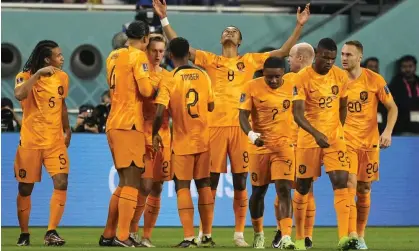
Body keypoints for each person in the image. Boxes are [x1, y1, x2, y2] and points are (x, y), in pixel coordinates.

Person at [152, 0, 311, 245]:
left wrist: (298, 26)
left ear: (239, 42)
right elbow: (179, 46)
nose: (228, 32)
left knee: (240, 181)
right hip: (213, 128)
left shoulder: (249, 61)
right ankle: (206, 232)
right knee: (211, 182)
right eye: (225, 30)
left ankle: (239, 233)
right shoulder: (209, 60)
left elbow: (280, 53)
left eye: (233, 31)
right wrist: (164, 19)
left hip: (241, 128)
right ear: (221, 40)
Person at [152, 37, 216, 248]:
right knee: (204, 184)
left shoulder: (169, 79)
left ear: (170, 56)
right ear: (189, 54)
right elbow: (211, 105)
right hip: (204, 140)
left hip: (182, 141)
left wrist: (155, 132)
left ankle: (189, 237)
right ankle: (206, 235)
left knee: (183, 187)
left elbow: (160, 112)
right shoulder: (204, 75)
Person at [292, 38, 352, 250]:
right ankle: (300, 238)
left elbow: (343, 106)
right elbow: (297, 114)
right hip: (309, 140)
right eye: (325, 57)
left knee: (341, 181)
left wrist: (338, 130)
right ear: (316, 54)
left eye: (332, 59)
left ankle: (344, 237)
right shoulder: (301, 78)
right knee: (303, 187)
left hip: (334, 139)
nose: (329, 62)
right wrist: (316, 133)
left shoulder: (340, 76)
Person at [99, 20, 154, 248]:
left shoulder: (112, 56)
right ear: (145, 39)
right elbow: (145, 90)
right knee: (132, 182)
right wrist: (157, 87)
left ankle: (108, 235)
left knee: (124, 182)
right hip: (129, 123)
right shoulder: (138, 56)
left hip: (113, 122)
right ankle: (123, 236)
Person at [13, 40, 71, 246]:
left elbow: (62, 104)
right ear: (47, 59)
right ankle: (24, 233)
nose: (62, 58)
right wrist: (37, 75)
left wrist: (67, 128)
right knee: (25, 189)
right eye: (58, 55)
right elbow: (19, 94)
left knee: (62, 182)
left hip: (55, 141)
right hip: (30, 142)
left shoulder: (62, 77)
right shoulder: (25, 76)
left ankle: (51, 232)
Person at [341, 40, 398, 250]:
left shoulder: (374, 80)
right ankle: (352, 234)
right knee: (349, 184)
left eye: (348, 55)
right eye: (343, 54)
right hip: (345, 142)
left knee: (364, 189)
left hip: (369, 143)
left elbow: (392, 108)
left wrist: (388, 131)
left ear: (359, 57)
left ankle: (361, 234)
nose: (344, 58)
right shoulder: (336, 79)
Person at [238, 57, 295, 249]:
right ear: (263, 73)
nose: (273, 81)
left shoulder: (292, 86)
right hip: (259, 147)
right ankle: (258, 234)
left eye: (277, 77)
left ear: (283, 74)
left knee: (284, 189)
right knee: (258, 192)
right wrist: (252, 135)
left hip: (284, 147)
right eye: (269, 77)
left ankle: (286, 236)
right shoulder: (251, 87)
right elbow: (242, 116)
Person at [129, 34, 172, 247]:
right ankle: (131, 231)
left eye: (161, 51)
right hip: (143, 134)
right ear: (147, 51)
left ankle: (146, 236)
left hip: (163, 136)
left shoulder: (168, 76)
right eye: (154, 50)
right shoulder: (140, 73)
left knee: (157, 187)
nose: (158, 55)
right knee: (144, 186)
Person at [272, 42, 316, 249]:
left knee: (291, 190)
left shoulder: (290, 79)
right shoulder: (319, 79)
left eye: (290, 56)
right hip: (299, 141)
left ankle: (290, 233)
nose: (288, 60)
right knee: (300, 189)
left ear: (299, 58)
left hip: (297, 141)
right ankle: (299, 235)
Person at [389, 55, 419, 134]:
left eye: (410, 66)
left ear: (415, 67)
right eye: (404, 67)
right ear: (400, 68)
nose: (407, 69)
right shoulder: (395, 84)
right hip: (402, 127)